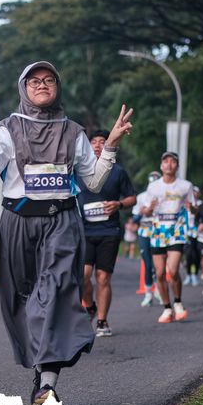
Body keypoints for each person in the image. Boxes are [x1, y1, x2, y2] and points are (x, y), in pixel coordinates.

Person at [0, 61, 133, 405]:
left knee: (57, 293)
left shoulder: (73, 131)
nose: (42, 85)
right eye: (34, 81)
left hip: (61, 221)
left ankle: (47, 383)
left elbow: (93, 182)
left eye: (49, 80)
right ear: (23, 88)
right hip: (17, 221)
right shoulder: (7, 128)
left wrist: (110, 145)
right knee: (24, 300)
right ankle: (41, 370)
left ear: (58, 87)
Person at [77, 129, 136, 337]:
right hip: (84, 230)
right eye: (93, 142)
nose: (97, 145)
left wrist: (119, 204)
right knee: (83, 276)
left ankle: (102, 321)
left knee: (102, 278)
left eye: (102, 141)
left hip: (109, 230)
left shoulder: (118, 172)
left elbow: (132, 198)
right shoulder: (78, 170)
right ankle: (90, 306)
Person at [140, 152, 194, 324]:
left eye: (173, 161)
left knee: (173, 270)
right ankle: (167, 308)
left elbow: (194, 207)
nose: (169, 164)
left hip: (177, 231)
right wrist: (149, 209)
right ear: (161, 165)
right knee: (160, 273)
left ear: (177, 166)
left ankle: (177, 302)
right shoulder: (153, 187)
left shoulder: (185, 186)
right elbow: (144, 211)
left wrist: (192, 208)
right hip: (158, 232)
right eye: (166, 161)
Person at [132, 171, 162, 307]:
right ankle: (148, 294)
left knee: (159, 266)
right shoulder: (141, 197)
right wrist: (142, 211)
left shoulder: (164, 196)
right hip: (144, 232)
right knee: (148, 265)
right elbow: (135, 218)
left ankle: (159, 291)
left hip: (159, 232)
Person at [184, 186, 201, 286]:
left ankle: (195, 274)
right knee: (188, 254)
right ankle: (188, 274)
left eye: (195, 192)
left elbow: (197, 213)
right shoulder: (183, 205)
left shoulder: (199, 204)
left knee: (196, 255)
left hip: (197, 233)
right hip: (186, 233)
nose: (194, 194)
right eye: (192, 192)